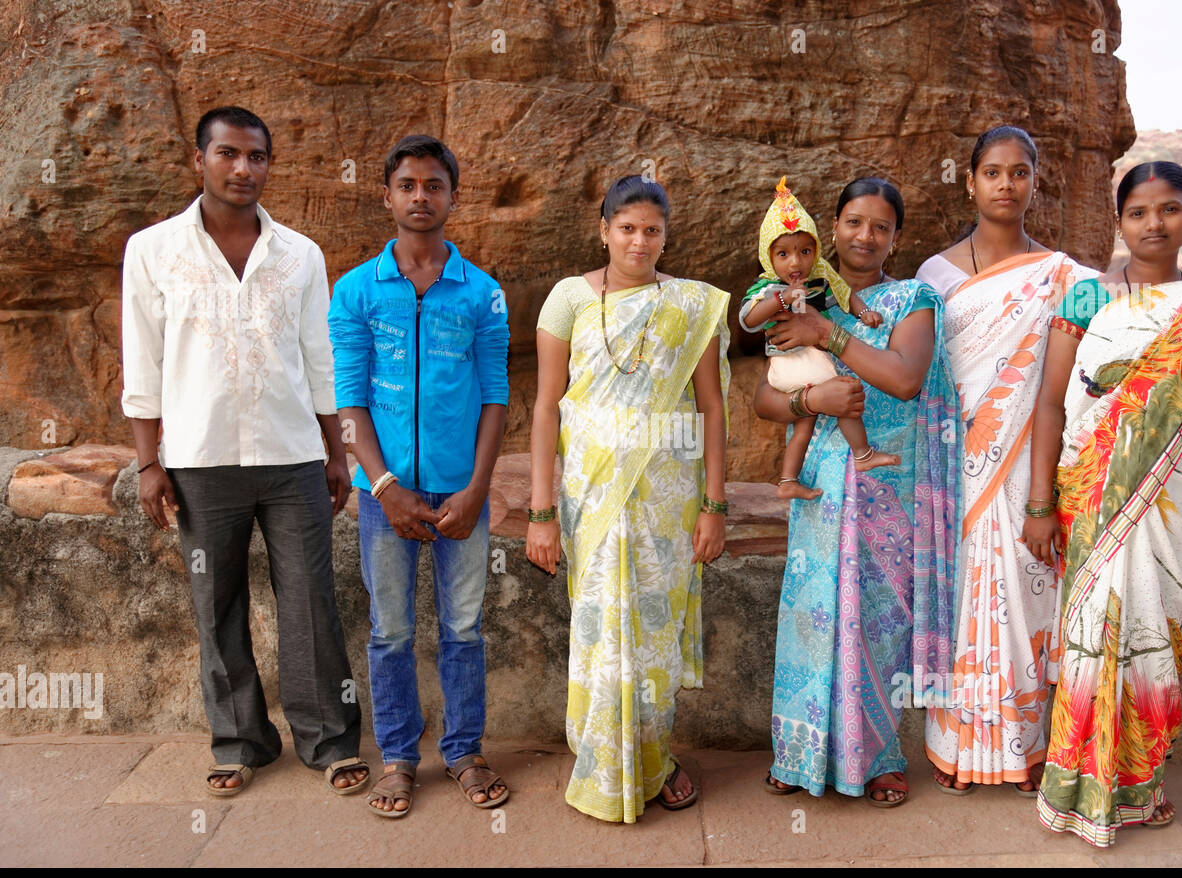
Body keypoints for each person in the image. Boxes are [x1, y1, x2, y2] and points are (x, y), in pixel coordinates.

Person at [120, 106, 368, 797]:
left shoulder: (300, 254)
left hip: (291, 457)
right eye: (228, 153)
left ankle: (329, 739)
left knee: (311, 600)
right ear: (197, 160)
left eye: (256, 156)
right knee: (216, 600)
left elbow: (321, 362)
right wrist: (149, 462)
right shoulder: (154, 250)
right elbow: (142, 364)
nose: (243, 168)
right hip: (199, 460)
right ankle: (240, 740)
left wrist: (335, 451)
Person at [1023, 161, 1182, 846]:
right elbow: (1049, 405)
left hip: (1176, 505)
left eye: (1169, 209)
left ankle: (1141, 779)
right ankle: (1076, 782)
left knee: (1157, 638)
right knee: (1091, 642)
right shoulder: (1085, 302)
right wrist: (1039, 501)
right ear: (1119, 221)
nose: (1154, 223)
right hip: (1091, 500)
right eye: (1138, 212)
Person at [525, 175, 730, 823]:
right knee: (600, 630)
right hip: (591, 494)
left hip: (668, 500)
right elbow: (546, 407)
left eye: (652, 230)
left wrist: (715, 503)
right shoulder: (567, 299)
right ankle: (599, 762)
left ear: (666, 235)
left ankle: (653, 759)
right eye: (627, 228)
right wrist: (540, 511)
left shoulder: (690, 304)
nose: (639, 241)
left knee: (651, 635)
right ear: (604, 229)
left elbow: (713, 407)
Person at [759, 177, 960, 807]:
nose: (864, 235)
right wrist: (807, 399)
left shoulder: (912, 299)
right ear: (831, 230)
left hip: (890, 482)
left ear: (896, 238)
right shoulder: (798, 301)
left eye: (879, 225)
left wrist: (830, 333)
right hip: (821, 480)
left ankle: (877, 759)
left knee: (880, 619)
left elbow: (904, 379)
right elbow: (767, 395)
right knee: (814, 618)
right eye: (852, 221)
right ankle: (798, 754)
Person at [328, 135, 510, 817]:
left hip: (462, 491)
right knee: (392, 630)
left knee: (463, 625)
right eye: (407, 185)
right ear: (387, 195)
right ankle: (400, 757)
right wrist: (383, 486)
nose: (420, 197)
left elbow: (496, 397)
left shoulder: (482, 293)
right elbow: (349, 401)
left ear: (453, 197)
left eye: (434, 185)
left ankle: (464, 750)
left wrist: (476, 490)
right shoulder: (355, 291)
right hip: (387, 495)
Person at [915, 126, 1095, 797]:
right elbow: (921, 375)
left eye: (1020, 172)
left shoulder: (1063, 276)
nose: (1005, 184)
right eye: (992, 172)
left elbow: (1085, 374)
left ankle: (1023, 750)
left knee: (1024, 598)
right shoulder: (933, 276)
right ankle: (954, 749)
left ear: (1035, 182)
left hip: (1026, 471)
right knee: (957, 603)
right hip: (949, 470)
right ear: (970, 181)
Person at [739, 176, 898, 501]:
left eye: (804, 251)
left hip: (802, 360)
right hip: (792, 361)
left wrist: (862, 311)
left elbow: (841, 292)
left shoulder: (819, 283)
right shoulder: (770, 288)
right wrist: (781, 299)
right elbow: (747, 320)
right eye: (783, 254)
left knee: (803, 426)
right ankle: (863, 453)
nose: (795, 262)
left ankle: (788, 479)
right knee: (843, 393)